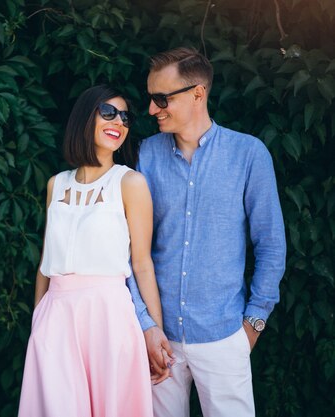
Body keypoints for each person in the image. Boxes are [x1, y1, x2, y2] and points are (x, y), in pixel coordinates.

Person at [126, 47, 287, 417]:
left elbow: (271, 244)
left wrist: (252, 326)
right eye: (151, 99)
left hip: (225, 335)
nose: (152, 110)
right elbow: (129, 249)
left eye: (161, 98)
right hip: (158, 340)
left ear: (198, 93)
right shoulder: (145, 155)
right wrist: (146, 325)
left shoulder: (249, 154)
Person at [17, 85, 170, 417]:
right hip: (55, 318)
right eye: (108, 112)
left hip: (109, 317)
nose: (119, 121)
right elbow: (45, 264)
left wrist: (154, 331)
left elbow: (142, 264)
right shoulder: (56, 184)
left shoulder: (130, 183)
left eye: (125, 116)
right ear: (85, 116)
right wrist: (37, 321)